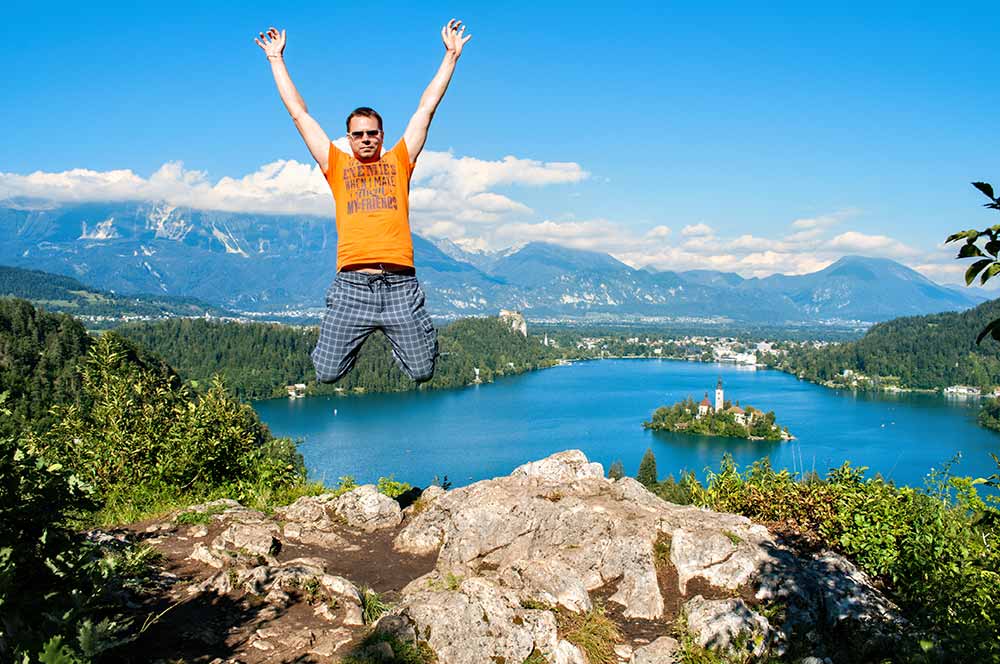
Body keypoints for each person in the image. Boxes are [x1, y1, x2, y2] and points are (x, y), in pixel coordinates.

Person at [255, 19, 472, 384]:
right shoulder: (336, 165)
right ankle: (356, 330)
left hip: (401, 286)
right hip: (352, 287)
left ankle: (398, 335)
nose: (366, 139)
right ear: (349, 138)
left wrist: (451, 56)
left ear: (382, 135)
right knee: (326, 373)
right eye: (359, 134)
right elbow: (299, 115)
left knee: (422, 371)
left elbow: (426, 109)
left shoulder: (400, 161)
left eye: (373, 133)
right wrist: (276, 59)